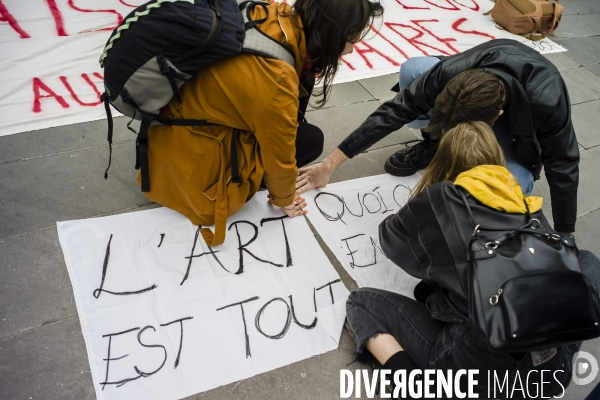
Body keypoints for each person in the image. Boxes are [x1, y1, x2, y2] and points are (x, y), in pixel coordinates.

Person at [346, 121, 599, 398]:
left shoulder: (441, 196)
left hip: (472, 368)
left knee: (361, 303)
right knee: (585, 260)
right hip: (551, 370)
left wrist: (421, 212)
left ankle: (416, 386)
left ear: (444, 161)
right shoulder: (526, 206)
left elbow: (390, 238)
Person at [138, 0, 384, 245]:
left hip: (171, 128)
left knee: (303, 131)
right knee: (309, 142)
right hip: (196, 160)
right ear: (331, 35)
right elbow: (278, 154)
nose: (351, 50)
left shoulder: (271, 12)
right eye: (352, 41)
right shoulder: (277, 78)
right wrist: (285, 198)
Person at [296, 39, 579, 234]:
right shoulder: (452, 73)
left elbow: (564, 166)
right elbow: (394, 112)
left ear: (498, 115)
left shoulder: (547, 101)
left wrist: (565, 236)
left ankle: (485, 171)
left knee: (510, 185)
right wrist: (329, 164)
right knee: (415, 69)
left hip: (519, 139)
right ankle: (432, 146)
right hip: (480, 100)